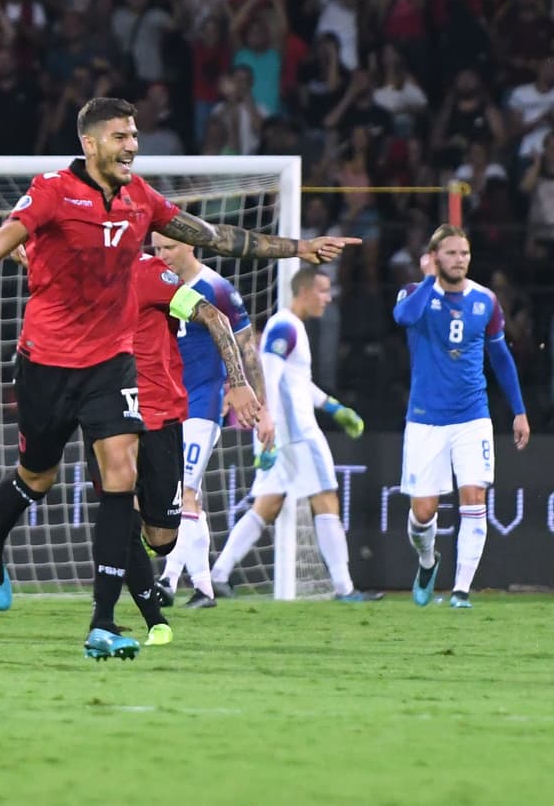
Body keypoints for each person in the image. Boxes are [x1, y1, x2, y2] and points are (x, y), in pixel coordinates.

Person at [0, 96, 358, 659]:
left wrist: (299, 247)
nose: (133, 145)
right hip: (48, 361)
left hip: (111, 363)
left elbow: (213, 236)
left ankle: (103, 622)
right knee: (37, 477)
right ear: (90, 143)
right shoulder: (53, 189)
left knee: (119, 474)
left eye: (134, 135)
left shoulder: (141, 199)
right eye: (120, 136)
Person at [21, 240, 261, 646]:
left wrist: (238, 384)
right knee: (120, 514)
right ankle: (115, 620)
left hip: (163, 417)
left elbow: (216, 319)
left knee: (161, 538)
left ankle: (145, 592)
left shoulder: (154, 277)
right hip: (110, 413)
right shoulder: (82, 274)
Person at [209, 267, 381, 602]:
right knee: (327, 498)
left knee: (267, 505)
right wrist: (266, 423)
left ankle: (218, 574)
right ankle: (345, 588)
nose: (328, 298)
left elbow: (296, 381)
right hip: (296, 433)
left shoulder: (291, 327)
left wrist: (333, 407)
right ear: (303, 291)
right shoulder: (286, 326)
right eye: (323, 291)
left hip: (280, 431)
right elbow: (268, 377)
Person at [393, 226, 529, 608]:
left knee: (474, 496)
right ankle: (427, 560)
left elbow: (501, 358)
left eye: (464, 253)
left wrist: (519, 411)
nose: (459, 260)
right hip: (425, 419)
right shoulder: (415, 294)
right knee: (423, 512)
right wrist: (426, 279)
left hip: (472, 415)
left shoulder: (486, 301)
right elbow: (403, 318)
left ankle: (460, 592)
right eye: (451, 253)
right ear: (435, 257)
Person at [150, 236, 274, 609]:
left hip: (201, 408)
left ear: (190, 245)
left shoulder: (217, 288)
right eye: (156, 249)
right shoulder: (156, 280)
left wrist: (263, 407)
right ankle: (204, 589)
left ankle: (167, 583)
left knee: (180, 493)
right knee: (189, 498)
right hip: (165, 405)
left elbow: (246, 347)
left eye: (168, 247)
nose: (162, 256)